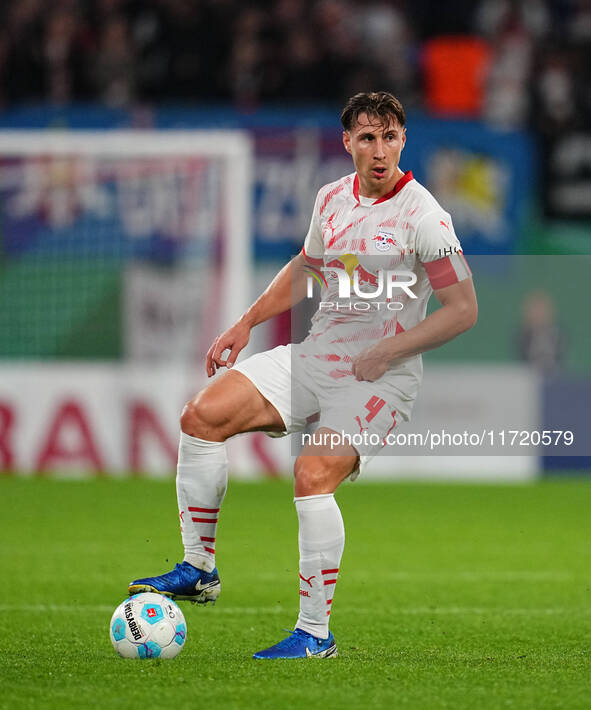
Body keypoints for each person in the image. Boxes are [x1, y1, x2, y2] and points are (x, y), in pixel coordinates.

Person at [128, 91, 478, 659]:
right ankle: (199, 568)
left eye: (389, 136)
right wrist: (244, 323)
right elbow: (305, 270)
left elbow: (464, 310)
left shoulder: (424, 217)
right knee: (201, 417)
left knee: (312, 474)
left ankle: (315, 634)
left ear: (403, 140)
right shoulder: (331, 200)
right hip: (316, 357)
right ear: (348, 144)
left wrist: (391, 352)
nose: (380, 149)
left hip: (380, 380)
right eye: (367, 137)